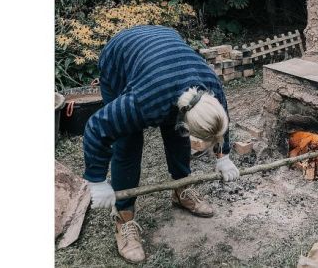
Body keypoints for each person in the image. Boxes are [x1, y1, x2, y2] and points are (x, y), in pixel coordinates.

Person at [82, 25, 240, 263]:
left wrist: (224, 156)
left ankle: (181, 190)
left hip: (163, 53)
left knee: (177, 135)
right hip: (120, 58)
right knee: (128, 143)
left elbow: (220, 122)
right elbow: (97, 128)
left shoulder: (210, 88)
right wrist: (96, 181)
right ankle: (123, 218)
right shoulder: (142, 102)